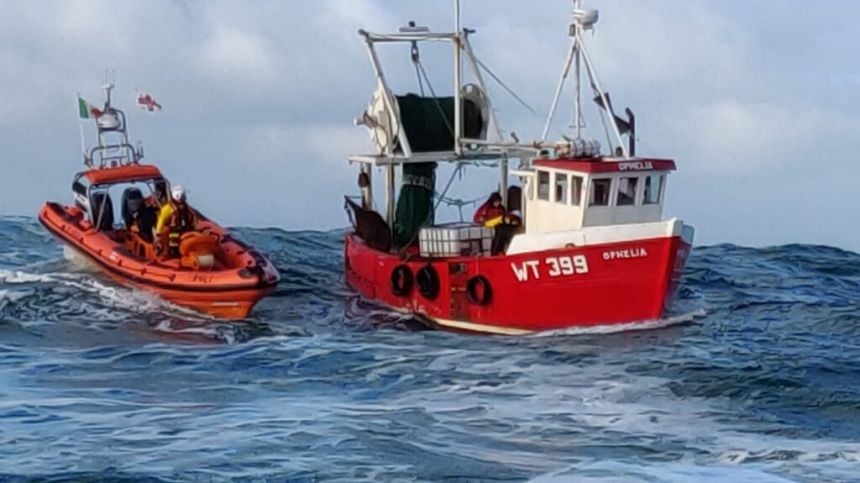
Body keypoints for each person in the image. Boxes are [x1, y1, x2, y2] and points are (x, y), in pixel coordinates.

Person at [156, 185, 197, 258]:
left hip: (187, 231)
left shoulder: (187, 207)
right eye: (184, 195)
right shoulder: (168, 209)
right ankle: (166, 253)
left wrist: (195, 229)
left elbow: (193, 218)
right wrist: (158, 234)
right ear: (178, 196)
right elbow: (161, 221)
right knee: (166, 232)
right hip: (173, 232)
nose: (185, 197)